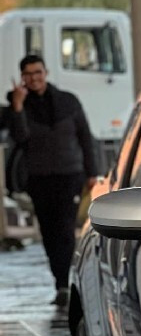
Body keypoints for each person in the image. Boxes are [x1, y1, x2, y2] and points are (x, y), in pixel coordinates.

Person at [4, 54, 98, 307]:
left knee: (66, 228)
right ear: (22, 78)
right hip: (39, 178)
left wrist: (92, 173)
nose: (34, 78)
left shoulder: (68, 101)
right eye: (28, 74)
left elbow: (85, 138)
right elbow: (21, 138)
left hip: (70, 174)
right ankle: (60, 280)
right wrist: (18, 107)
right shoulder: (16, 106)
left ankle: (65, 282)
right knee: (49, 231)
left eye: (38, 72)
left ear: (46, 73)